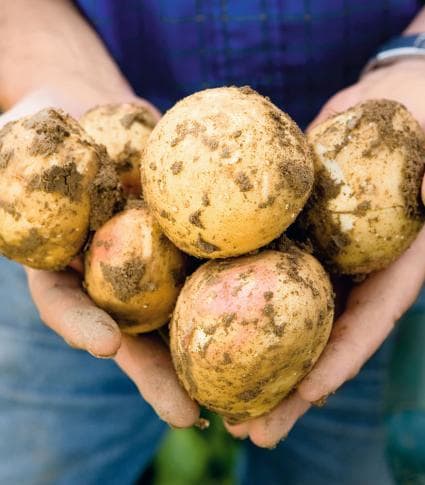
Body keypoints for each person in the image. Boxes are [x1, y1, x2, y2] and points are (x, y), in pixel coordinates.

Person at [1, 1, 425, 483]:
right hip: (109, 111)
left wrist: (417, 59)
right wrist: (45, 59)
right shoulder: (121, 192)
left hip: (361, 156)